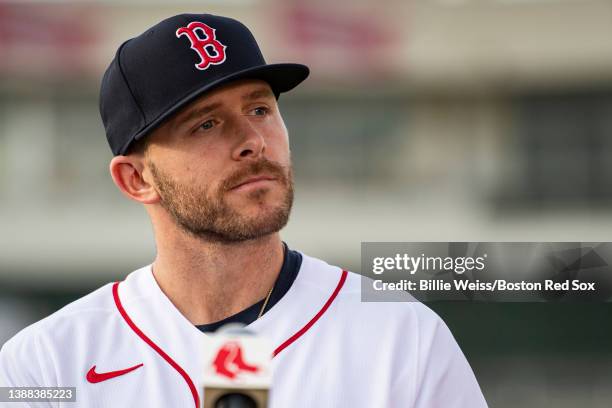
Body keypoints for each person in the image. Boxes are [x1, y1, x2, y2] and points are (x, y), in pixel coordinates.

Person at [0, 13, 488, 407]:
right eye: (207, 124)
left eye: (259, 109)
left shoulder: (402, 337)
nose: (253, 141)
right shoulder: (47, 364)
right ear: (137, 179)